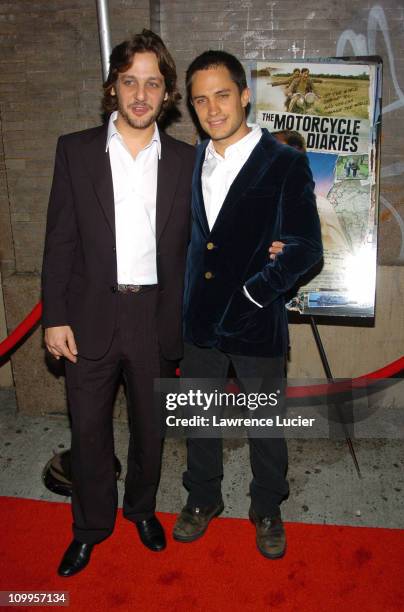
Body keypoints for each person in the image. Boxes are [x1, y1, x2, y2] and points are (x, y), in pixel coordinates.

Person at [41, 29, 195, 576]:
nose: (140, 94)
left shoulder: (185, 160)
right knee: (87, 431)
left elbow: (210, 237)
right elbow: (59, 240)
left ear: (167, 94)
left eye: (152, 83)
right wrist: (54, 316)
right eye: (129, 81)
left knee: (151, 430)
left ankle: (141, 510)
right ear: (112, 87)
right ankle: (90, 527)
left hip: (155, 316)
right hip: (88, 317)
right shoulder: (75, 150)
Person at [173, 50, 323, 559]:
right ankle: (203, 497)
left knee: (265, 425)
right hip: (199, 323)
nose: (212, 109)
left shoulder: (285, 163)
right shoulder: (192, 159)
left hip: (256, 321)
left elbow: (306, 247)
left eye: (221, 95)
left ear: (242, 96)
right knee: (200, 419)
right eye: (200, 100)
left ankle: (266, 506)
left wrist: (256, 293)